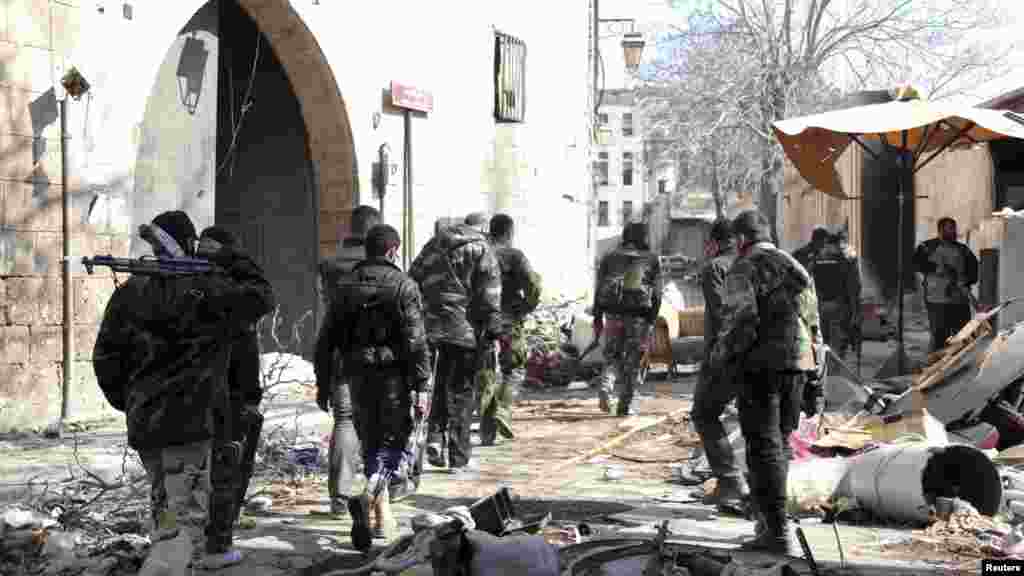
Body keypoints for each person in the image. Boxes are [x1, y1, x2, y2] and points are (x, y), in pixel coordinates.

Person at [94, 211, 275, 572]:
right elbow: (262, 296)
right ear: (191, 245)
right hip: (188, 425)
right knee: (185, 529)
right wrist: (229, 258)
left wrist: (131, 401)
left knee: (166, 518)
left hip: (146, 423)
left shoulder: (131, 292)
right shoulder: (207, 291)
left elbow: (105, 358)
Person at [707, 209, 824, 553]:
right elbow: (814, 322)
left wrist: (720, 361)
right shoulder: (794, 266)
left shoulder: (745, 267)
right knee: (781, 444)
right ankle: (770, 523)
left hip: (762, 367)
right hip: (799, 365)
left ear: (741, 239)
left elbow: (740, 323)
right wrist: (816, 378)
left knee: (763, 448)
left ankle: (775, 533)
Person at [316, 224, 432, 551]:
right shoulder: (403, 285)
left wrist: (323, 382)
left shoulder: (345, 285)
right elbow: (416, 340)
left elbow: (326, 340)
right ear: (394, 251)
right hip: (392, 375)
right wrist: (422, 384)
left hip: (354, 375)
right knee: (394, 442)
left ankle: (381, 516)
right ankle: (368, 497)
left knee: (370, 441)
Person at [197, 227, 271, 569]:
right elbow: (264, 295)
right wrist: (231, 259)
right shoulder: (229, 291)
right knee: (227, 468)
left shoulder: (184, 285)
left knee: (193, 474)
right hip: (229, 395)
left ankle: (192, 538)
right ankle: (216, 544)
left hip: (189, 395)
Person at [409, 211, 502, 477]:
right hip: (465, 331)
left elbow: (411, 278)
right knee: (461, 392)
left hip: (431, 327)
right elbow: (489, 294)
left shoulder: (432, 245)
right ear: (482, 229)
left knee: (435, 386)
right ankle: (458, 459)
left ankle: (434, 440)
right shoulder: (482, 249)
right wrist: (493, 330)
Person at [315, 205, 381, 515]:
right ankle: (376, 496)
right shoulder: (383, 268)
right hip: (378, 356)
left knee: (344, 419)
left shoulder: (329, 266)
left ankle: (339, 497)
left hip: (341, 352)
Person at [691, 218, 749, 513]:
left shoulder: (715, 267)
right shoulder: (755, 262)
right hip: (761, 354)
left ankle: (730, 481)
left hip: (725, 355)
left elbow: (724, 314)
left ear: (715, 242)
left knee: (703, 413)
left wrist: (718, 356)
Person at [478, 213, 542, 446]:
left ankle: (487, 432)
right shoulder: (514, 256)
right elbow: (533, 285)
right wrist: (526, 307)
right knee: (514, 369)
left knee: (485, 374)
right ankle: (503, 410)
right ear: (509, 233)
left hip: (480, 322)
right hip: (508, 320)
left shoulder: (478, 253)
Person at [592, 221, 662, 417]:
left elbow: (598, 291)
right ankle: (625, 407)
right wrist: (650, 321)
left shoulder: (609, 257)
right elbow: (657, 294)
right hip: (638, 318)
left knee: (612, 356)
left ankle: (606, 384)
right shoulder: (651, 259)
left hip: (612, 315)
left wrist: (597, 319)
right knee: (632, 363)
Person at [913, 217, 979, 352]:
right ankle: (937, 364)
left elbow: (973, 269)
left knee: (963, 334)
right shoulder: (927, 247)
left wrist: (966, 281)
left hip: (959, 300)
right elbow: (916, 263)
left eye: (954, 228)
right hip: (937, 300)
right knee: (939, 335)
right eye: (950, 228)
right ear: (941, 230)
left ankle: (962, 362)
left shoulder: (963, 250)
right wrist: (935, 269)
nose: (953, 231)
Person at [802, 227, 863, 358]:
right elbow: (854, 286)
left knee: (821, 342)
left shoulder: (816, 255)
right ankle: (835, 371)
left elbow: (807, 279)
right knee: (837, 344)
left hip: (819, 304)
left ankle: (824, 370)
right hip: (839, 305)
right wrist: (856, 311)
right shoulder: (848, 257)